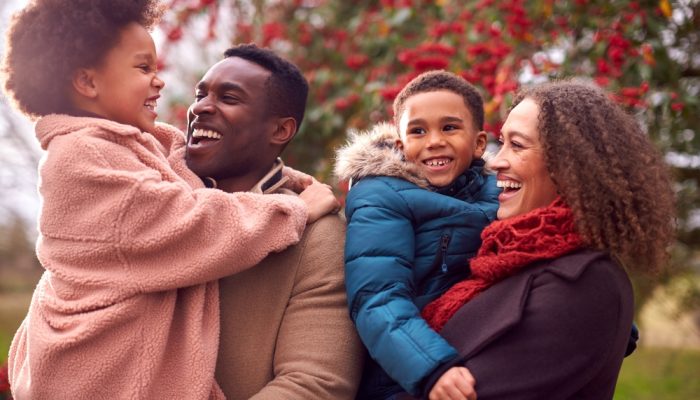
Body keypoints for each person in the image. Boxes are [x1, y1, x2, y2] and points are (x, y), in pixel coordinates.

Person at [1, 1, 337, 398]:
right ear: (88, 83)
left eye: (228, 97)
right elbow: (187, 224)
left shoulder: (135, 147)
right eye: (143, 68)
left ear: (281, 129)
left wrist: (294, 183)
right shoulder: (81, 157)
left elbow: (177, 159)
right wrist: (294, 209)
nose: (161, 83)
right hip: (93, 376)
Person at [417, 80, 675, 400]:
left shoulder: (586, 282)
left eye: (518, 145)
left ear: (570, 166)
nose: (496, 161)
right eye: (502, 143)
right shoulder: (501, 260)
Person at [185, 44, 364, 399]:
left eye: (229, 98)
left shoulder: (317, 238)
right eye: (201, 93)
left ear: (281, 130)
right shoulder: (153, 204)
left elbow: (314, 384)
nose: (201, 107)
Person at [335, 70, 500, 399]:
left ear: (479, 143)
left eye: (449, 127)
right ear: (401, 144)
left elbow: (541, 245)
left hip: (484, 345)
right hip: (404, 373)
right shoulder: (380, 195)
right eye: (418, 131)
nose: (434, 141)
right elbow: (377, 297)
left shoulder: (499, 192)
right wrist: (430, 367)